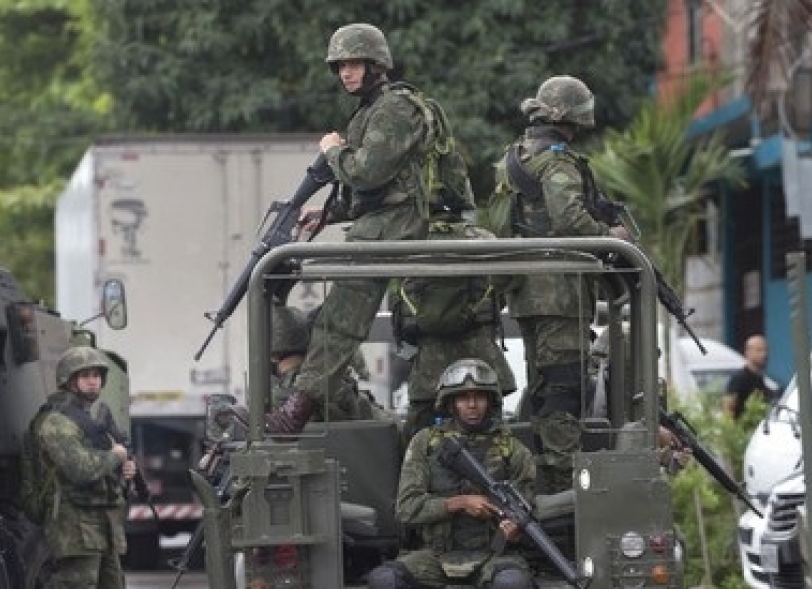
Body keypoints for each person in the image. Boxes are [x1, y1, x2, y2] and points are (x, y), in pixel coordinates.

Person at [199, 304, 389, 589]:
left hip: (307, 514)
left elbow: (274, 433)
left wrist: (236, 416)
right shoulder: (348, 392)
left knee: (241, 541)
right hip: (372, 518)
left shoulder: (293, 399)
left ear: (273, 352)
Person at [264, 22, 434, 435]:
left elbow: (368, 173)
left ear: (376, 64)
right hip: (385, 223)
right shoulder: (372, 109)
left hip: (396, 228)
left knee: (338, 320)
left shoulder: (394, 107)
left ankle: (297, 409)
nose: (345, 73)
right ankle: (307, 402)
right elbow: (374, 189)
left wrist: (334, 150)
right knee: (330, 319)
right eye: (340, 66)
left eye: (354, 63)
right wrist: (327, 214)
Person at [366, 358, 537, 589]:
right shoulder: (425, 445)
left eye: (479, 397)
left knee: (514, 588)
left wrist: (512, 529)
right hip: (436, 556)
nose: (472, 404)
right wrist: (458, 504)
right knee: (385, 583)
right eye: (463, 398)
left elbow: (527, 510)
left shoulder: (513, 451)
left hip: (491, 556)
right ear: (450, 403)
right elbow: (407, 508)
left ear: (491, 402)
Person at [496, 75, 629, 493]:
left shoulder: (514, 158)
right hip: (559, 294)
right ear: (572, 119)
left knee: (544, 387)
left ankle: (547, 479)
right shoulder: (557, 162)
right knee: (563, 392)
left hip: (528, 292)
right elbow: (571, 220)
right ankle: (562, 488)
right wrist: (610, 236)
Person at [27, 346, 138, 589]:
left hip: (103, 523)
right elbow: (80, 468)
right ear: (70, 380)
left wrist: (126, 469)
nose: (93, 380)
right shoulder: (56, 422)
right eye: (85, 375)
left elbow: (112, 459)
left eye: (97, 375)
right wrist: (116, 459)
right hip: (73, 525)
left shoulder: (99, 418)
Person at [396, 217, 518, 441]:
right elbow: (505, 275)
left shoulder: (406, 237)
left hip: (428, 365)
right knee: (492, 441)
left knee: (418, 442)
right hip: (480, 354)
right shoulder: (481, 239)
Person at [722, 334, 776, 419]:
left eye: (766, 350)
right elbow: (727, 411)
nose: (764, 354)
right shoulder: (739, 379)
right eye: (759, 350)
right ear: (748, 352)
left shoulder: (760, 379)